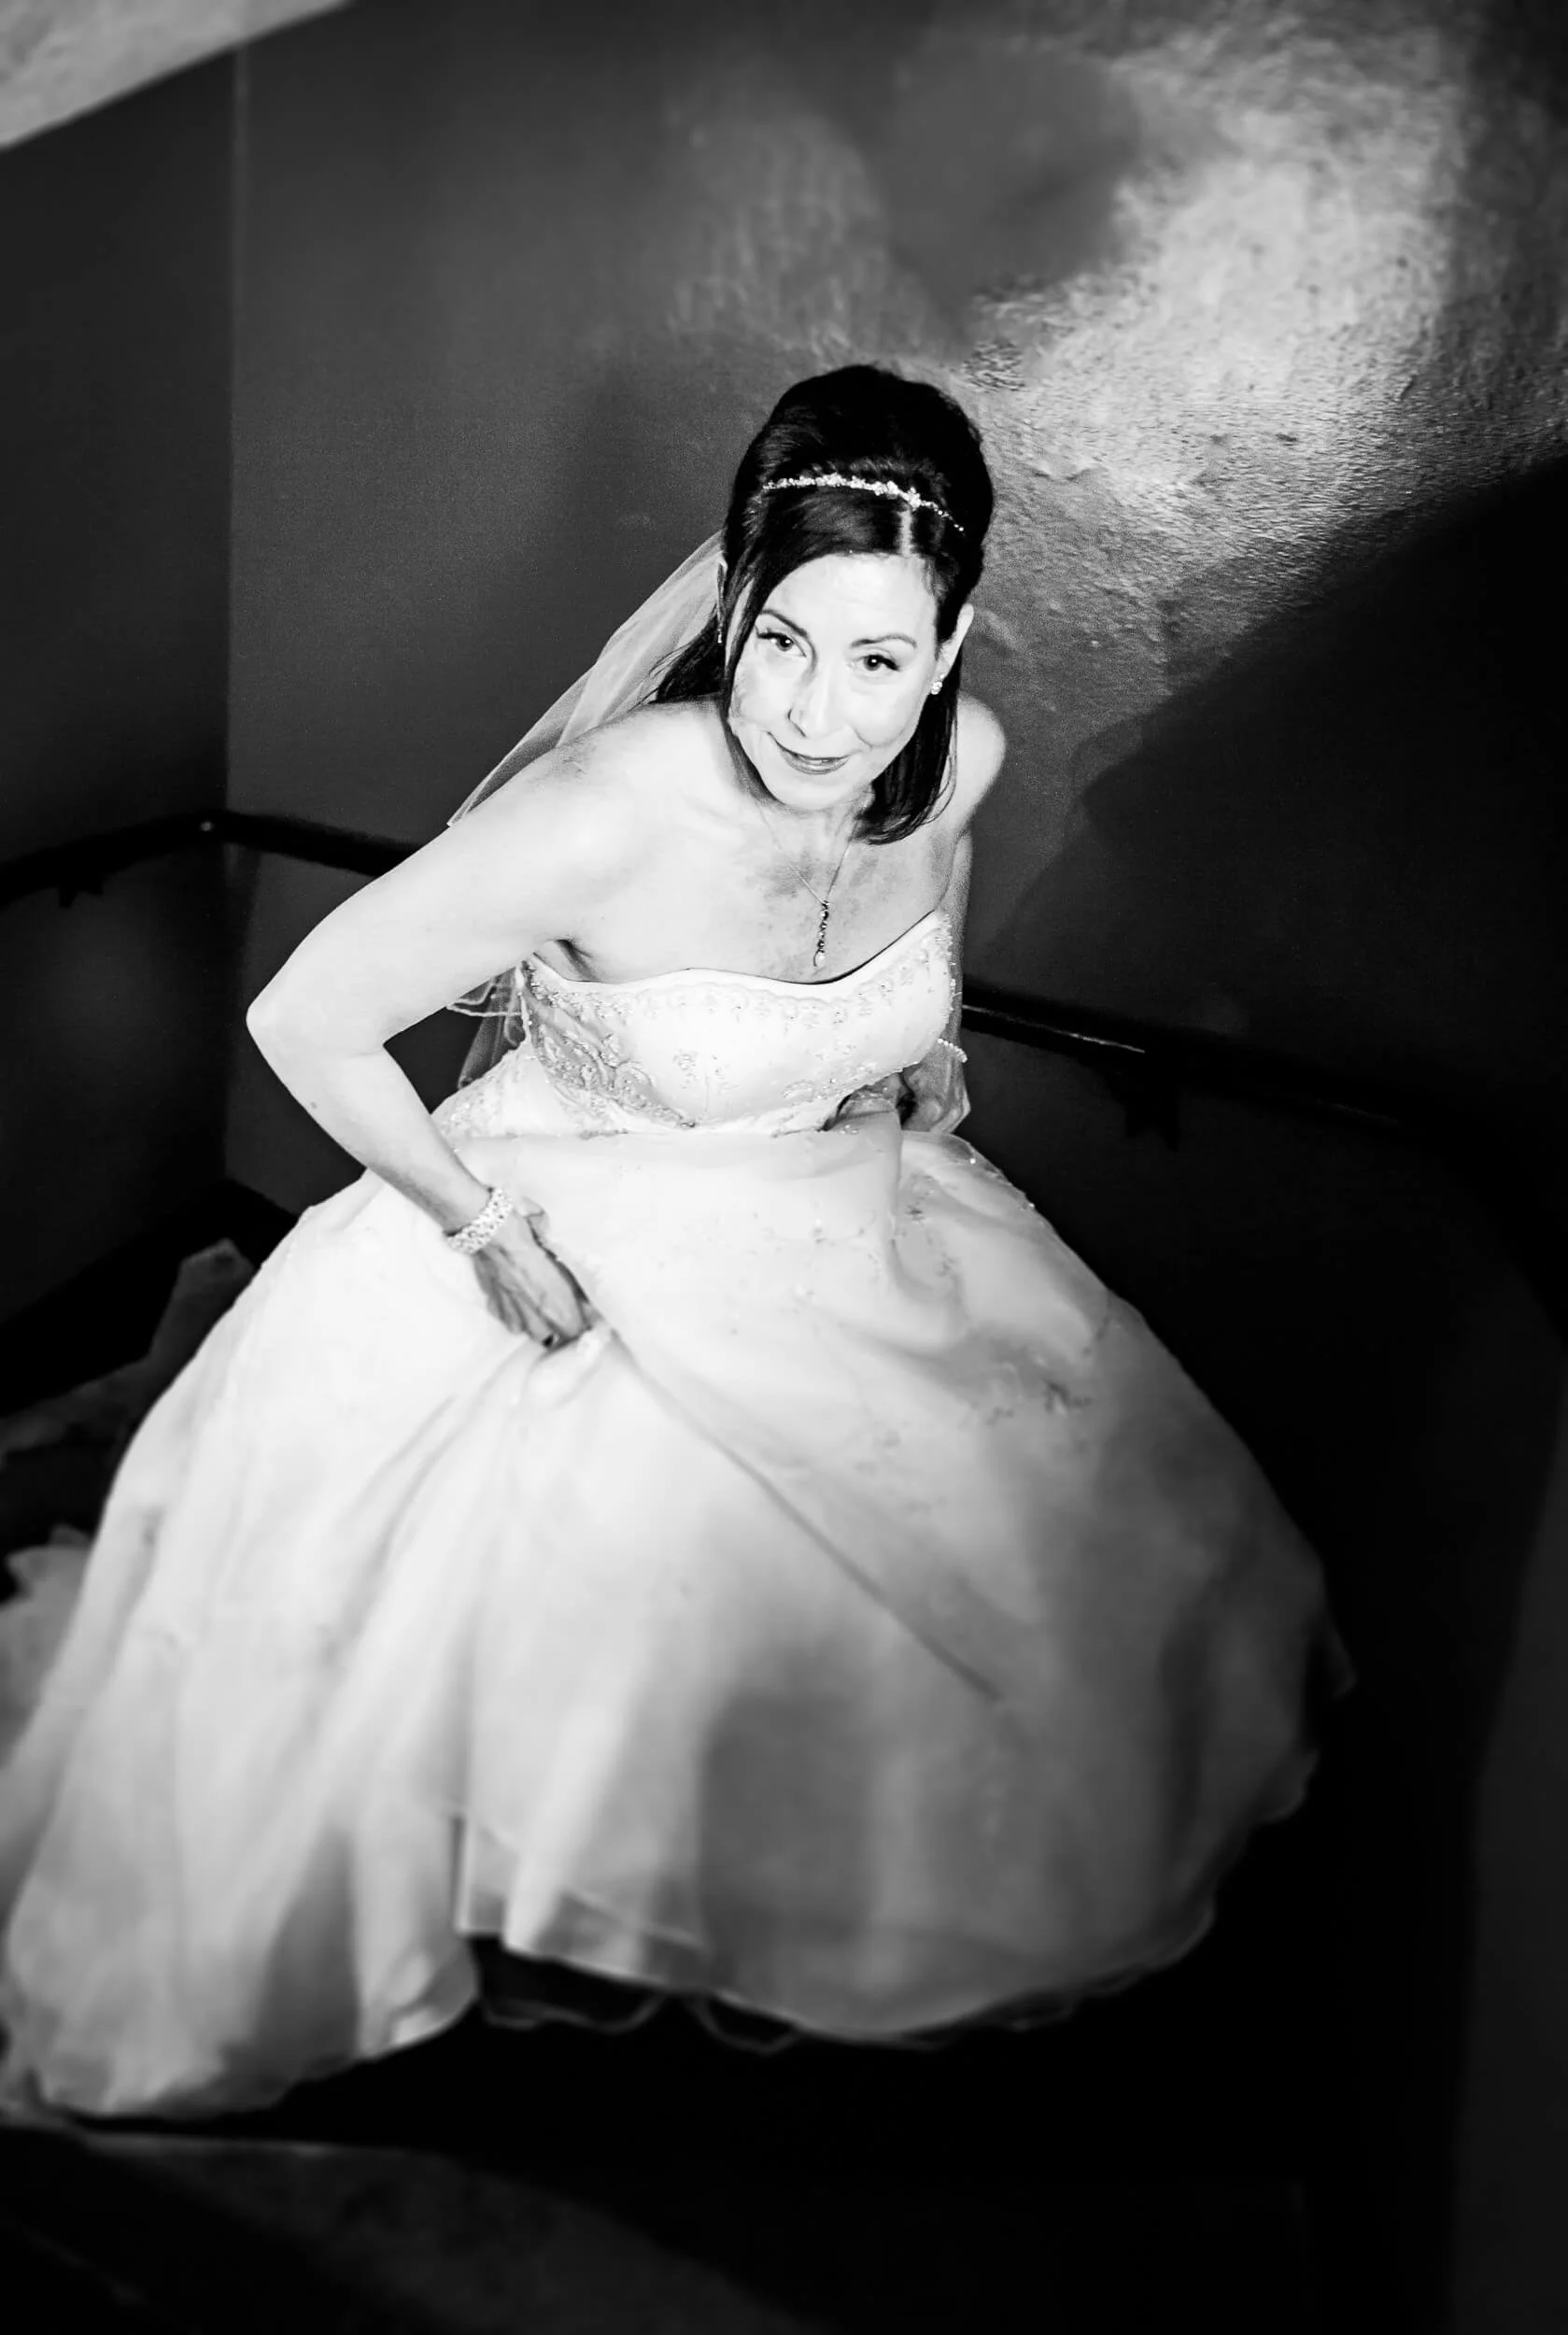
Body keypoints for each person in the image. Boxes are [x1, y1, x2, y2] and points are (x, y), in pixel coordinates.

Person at [0, 365, 1345, 2121]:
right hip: (577, 1218)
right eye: (782, 640)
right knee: (581, 1628)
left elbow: (915, 956)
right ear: (731, 606)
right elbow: (304, 1016)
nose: (814, 711)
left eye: (878, 661)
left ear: (948, 652)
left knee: (1038, 1582)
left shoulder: (963, 764)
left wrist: (916, 1076)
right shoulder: (606, 809)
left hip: (849, 1219)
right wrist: (479, 1228)